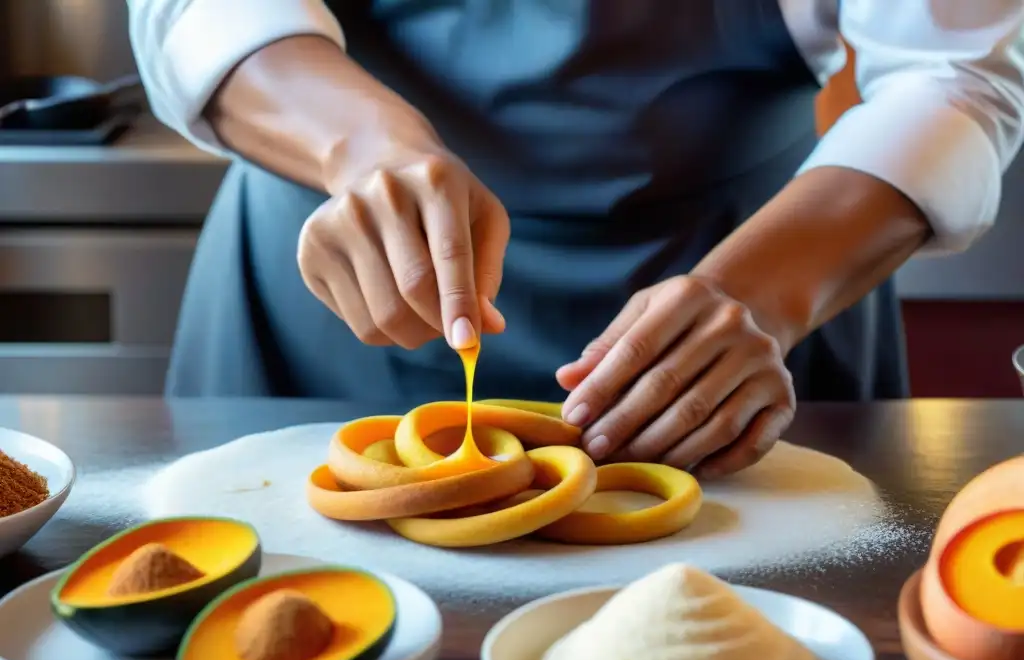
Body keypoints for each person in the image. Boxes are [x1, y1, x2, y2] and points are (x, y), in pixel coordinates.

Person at [127, 1, 1024, 479]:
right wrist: (361, 148)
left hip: (749, 284)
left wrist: (762, 292)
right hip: (334, 277)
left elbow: (954, 75)